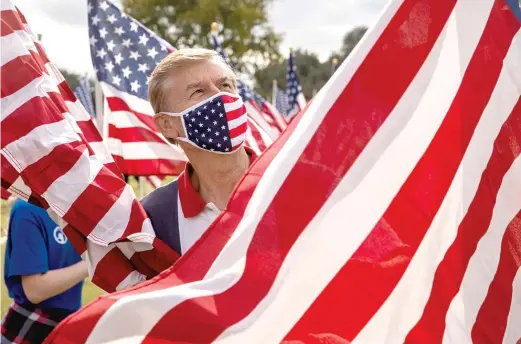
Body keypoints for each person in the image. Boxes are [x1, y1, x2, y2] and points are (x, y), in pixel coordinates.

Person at [141, 48, 256, 256]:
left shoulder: (290, 179)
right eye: (198, 92)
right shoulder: (154, 217)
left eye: (225, 85)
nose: (220, 96)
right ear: (167, 124)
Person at [1, 199, 88, 344]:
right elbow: (35, 290)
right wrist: (91, 265)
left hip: (68, 321)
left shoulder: (78, 205)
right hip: (31, 322)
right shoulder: (28, 209)